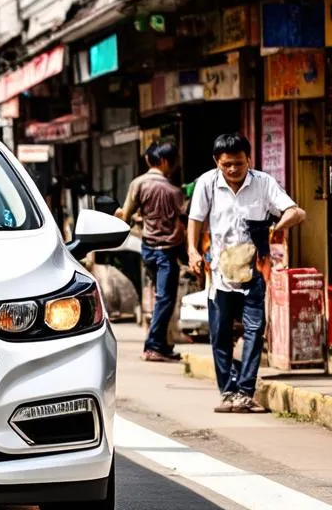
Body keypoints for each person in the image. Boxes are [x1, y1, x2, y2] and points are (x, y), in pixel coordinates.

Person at [187, 133, 306, 414]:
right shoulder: (207, 183)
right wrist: (192, 251)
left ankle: (245, 391)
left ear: (248, 160)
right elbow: (195, 219)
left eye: (238, 163)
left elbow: (295, 211)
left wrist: (279, 225)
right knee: (220, 333)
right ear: (217, 162)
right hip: (220, 272)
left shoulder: (263, 183)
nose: (233, 170)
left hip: (254, 271)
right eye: (227, 164)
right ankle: (227, 391)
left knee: (255, 329)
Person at [115, 141, 185, 362]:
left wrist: (121, 214)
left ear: (149, 160)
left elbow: (125, 215)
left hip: (148, 250)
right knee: (165, 298)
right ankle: (154, 345)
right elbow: (180, 226)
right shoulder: (175, 192)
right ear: (165, 162)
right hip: (167, 251)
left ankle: (162, 345)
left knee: (160, 297)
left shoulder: (138, 184)